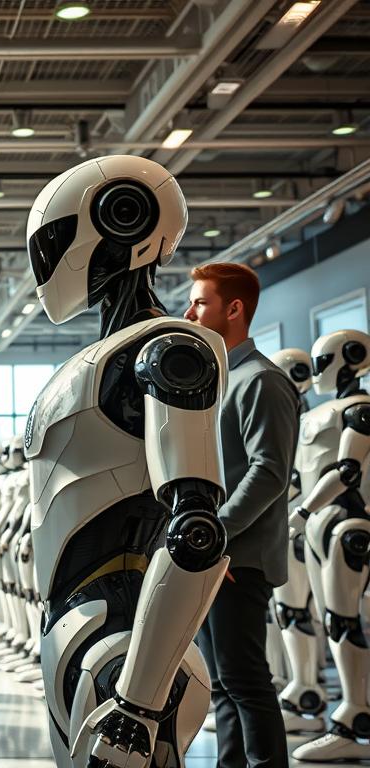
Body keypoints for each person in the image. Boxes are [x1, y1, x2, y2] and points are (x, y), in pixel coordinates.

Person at [185, 262, 299, 768]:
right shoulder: (219, 382)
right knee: (223, 685)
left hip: (239, 558)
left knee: (246, 682)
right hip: (216, 556)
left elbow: (270, 473)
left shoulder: (262, 382)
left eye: (201, 302)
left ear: (234, 309)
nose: (189, 312)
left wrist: (219, 534)